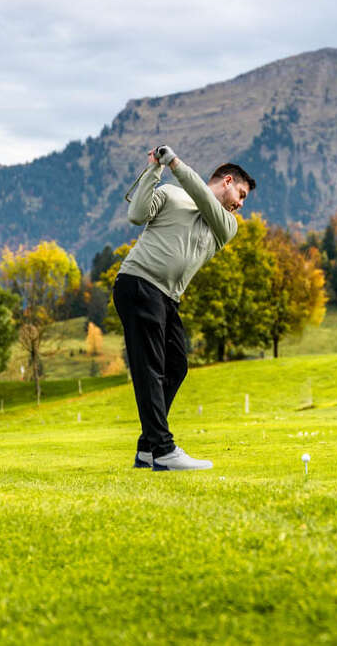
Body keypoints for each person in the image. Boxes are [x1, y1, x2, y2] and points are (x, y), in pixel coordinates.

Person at [113, 145, 255, 471]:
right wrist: (154, 169)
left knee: (175, 366)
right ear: (228, 180)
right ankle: (163, 450)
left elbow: (203, 198)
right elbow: (136, 215)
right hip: (138, 283)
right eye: (241, 194)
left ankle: (148, 448)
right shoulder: (171, 194)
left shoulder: (226, 225)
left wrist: (175, 163)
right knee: (150, 367)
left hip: (166, 297)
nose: (240, 204)